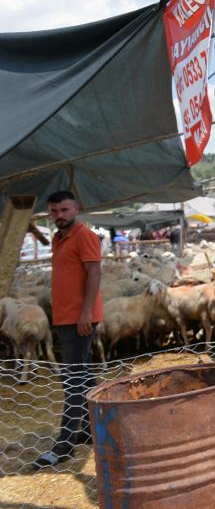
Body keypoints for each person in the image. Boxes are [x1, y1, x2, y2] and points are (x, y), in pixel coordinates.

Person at [34, 190, 103, 469]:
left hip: (79, 318)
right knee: (84, 376)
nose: (59, 215)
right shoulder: (58, 238)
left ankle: (64, 445)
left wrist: (86, 312)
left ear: (76, 209)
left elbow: (94, 272)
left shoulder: (84, 236)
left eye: (64, 210)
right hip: (65, 317)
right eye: (54, 211)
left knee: (73, 379)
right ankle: (91, 429)